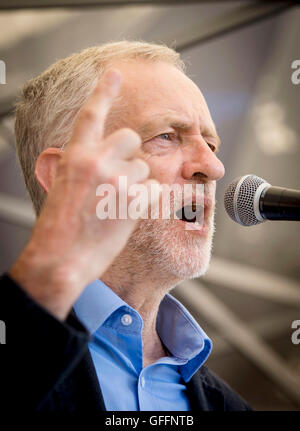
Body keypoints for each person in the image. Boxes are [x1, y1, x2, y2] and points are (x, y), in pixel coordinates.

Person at [0, 41, 251, 411]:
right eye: (167, 136)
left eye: (211, 145)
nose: (213, 169)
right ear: (62, 175)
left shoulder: (228, 406)